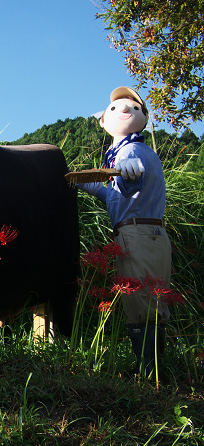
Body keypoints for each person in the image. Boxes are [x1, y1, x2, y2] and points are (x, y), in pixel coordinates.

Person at [77, 87, 171, 377]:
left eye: (134, 107)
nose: (126, 109)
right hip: (139, 233)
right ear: (103, 121)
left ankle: (150, 374)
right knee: (143, 299)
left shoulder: (132, 151)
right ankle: (150, 371)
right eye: (116, 107)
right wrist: (89, 185)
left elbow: (132, 182)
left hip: (139, 233)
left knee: (143, 300)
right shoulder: (124, 152)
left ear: (144, 119)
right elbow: (119, 197)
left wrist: (129, 172)